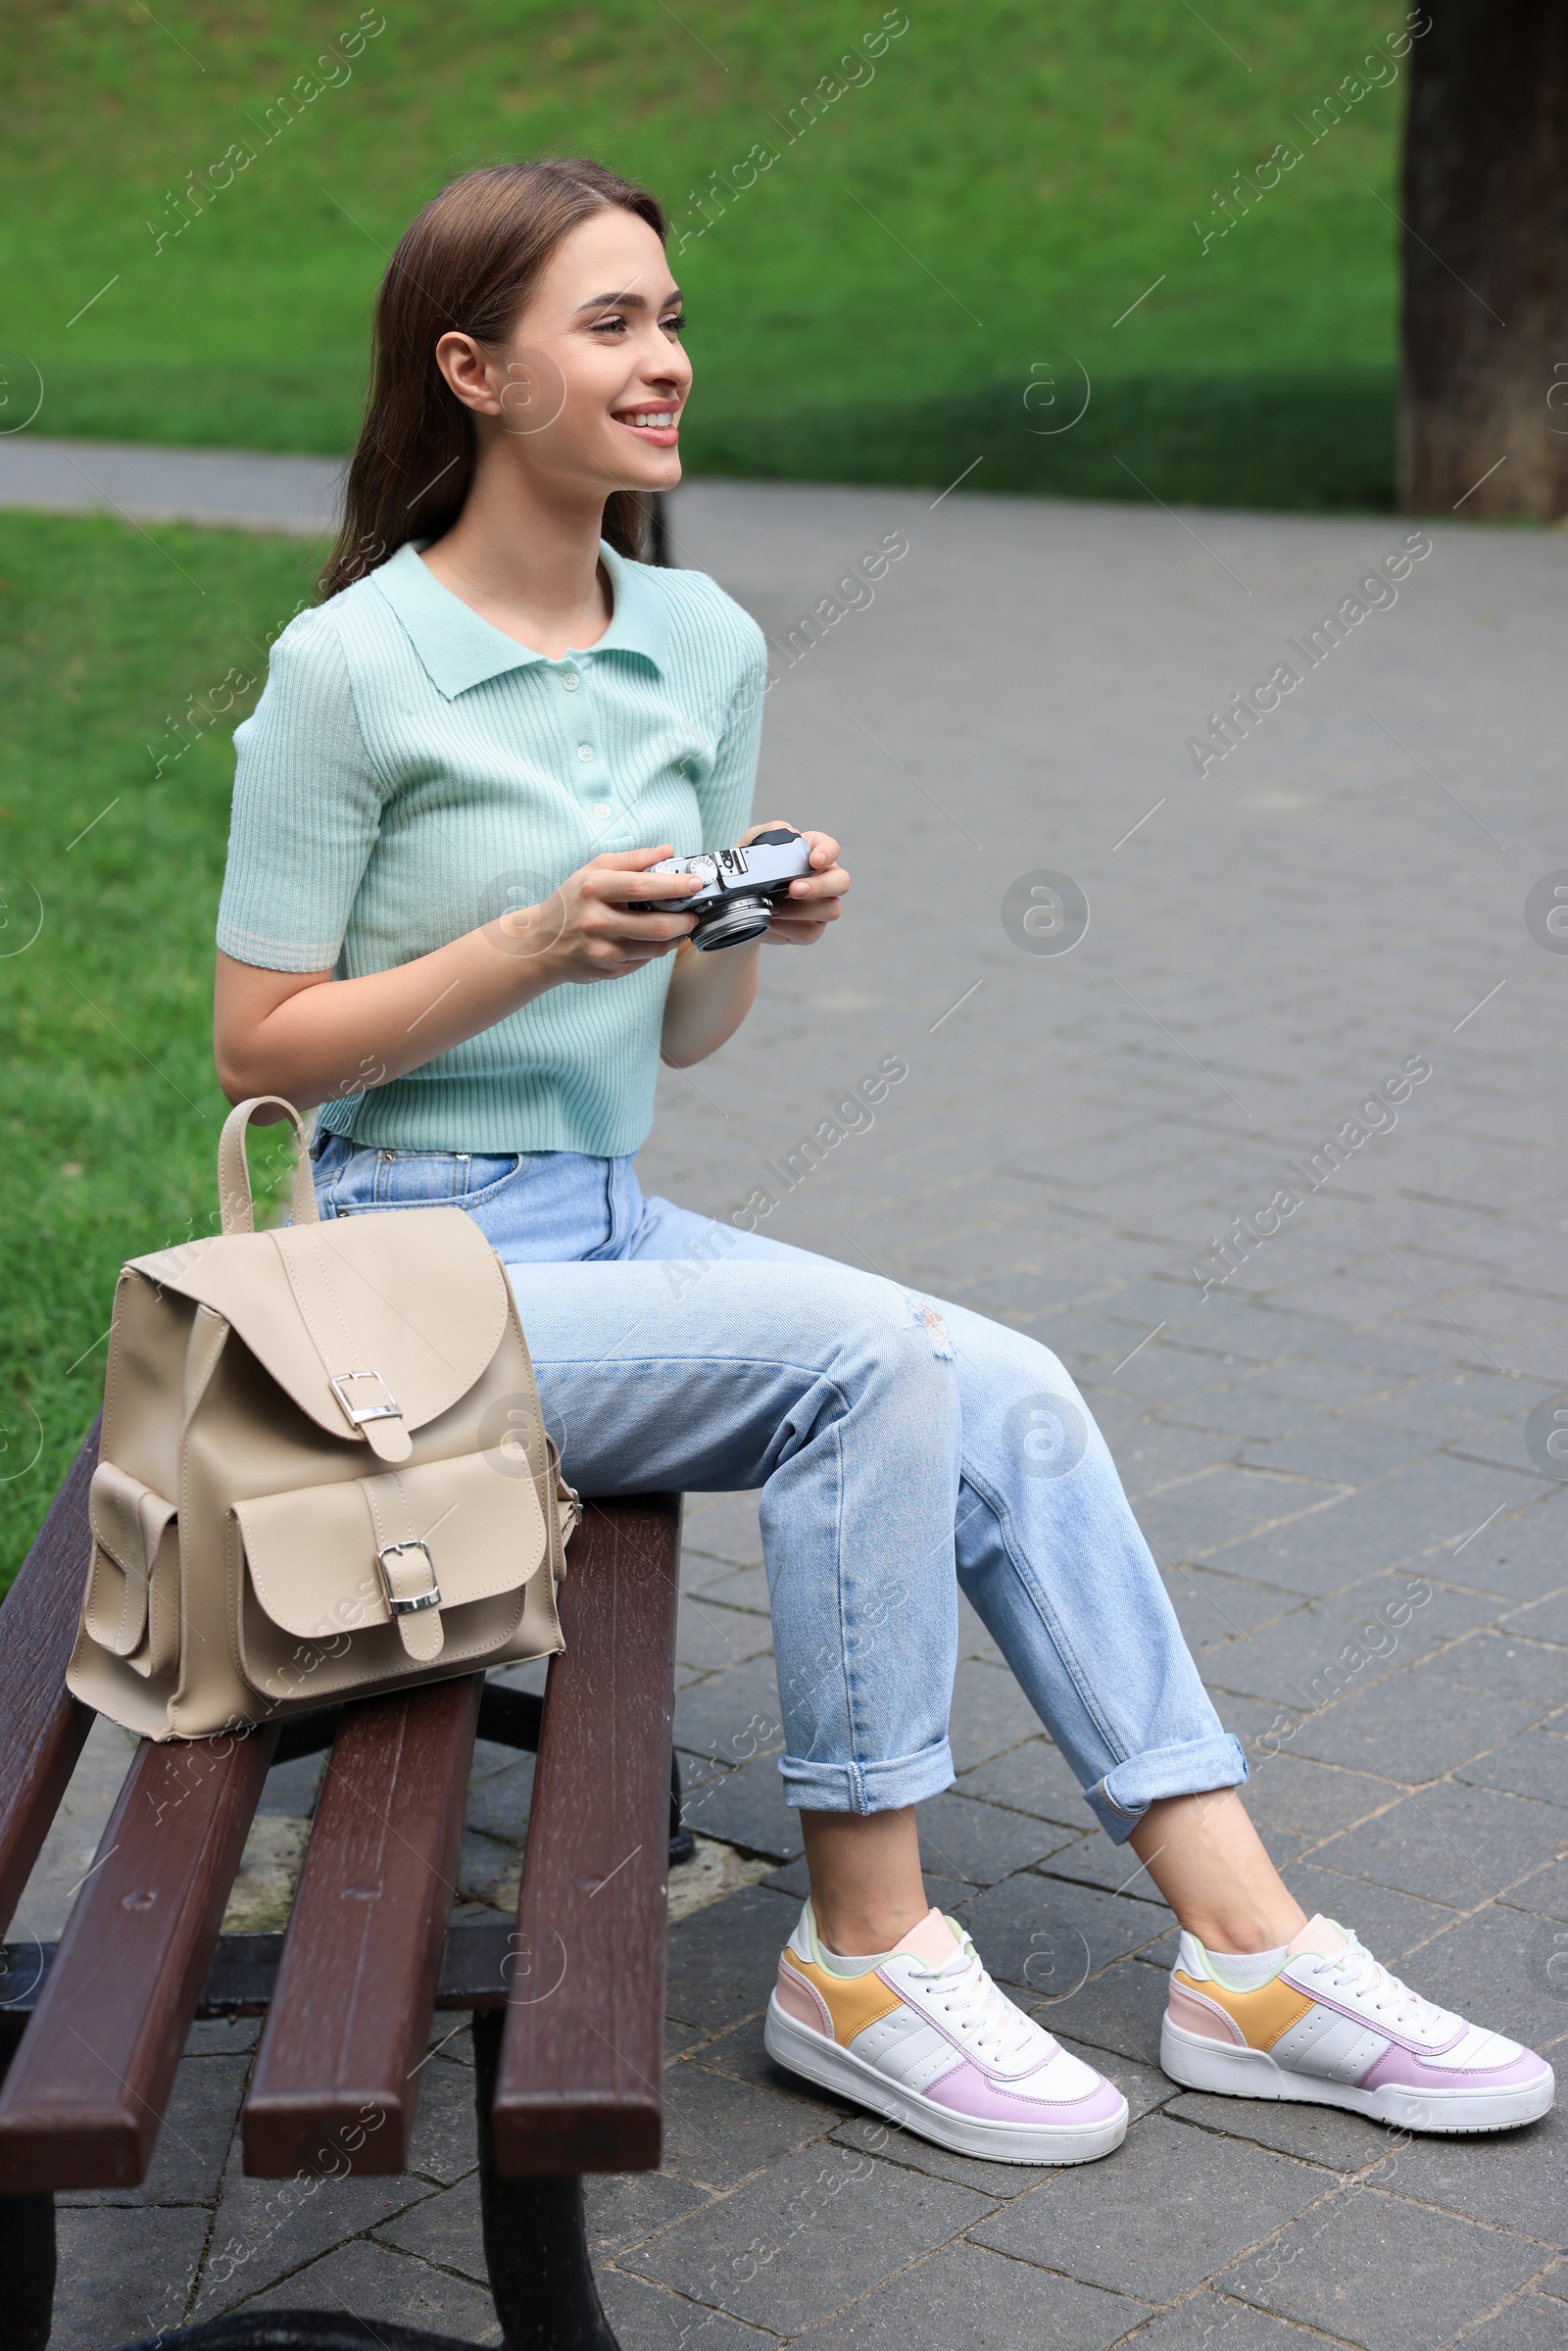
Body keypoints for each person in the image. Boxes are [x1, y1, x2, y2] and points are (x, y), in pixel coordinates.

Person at [212, 160, 1552, 2164]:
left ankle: (1245, 1950)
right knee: (871, 1368)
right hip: (401, 1273)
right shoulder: (349, 669)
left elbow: (675, 1035)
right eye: (611, 325)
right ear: (471, 370)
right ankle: (859, 1951)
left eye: (669, 317)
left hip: (601, 1229)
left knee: (1002, 1375)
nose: (665, 360)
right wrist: (524, 941)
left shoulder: (699, 641)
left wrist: (735, 935)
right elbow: (257, 1041)